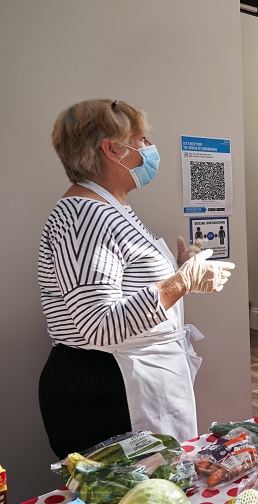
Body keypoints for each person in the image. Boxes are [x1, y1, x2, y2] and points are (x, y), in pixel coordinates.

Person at [38, 99, 235, 458]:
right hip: (111, 390)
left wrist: (180, 269)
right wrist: (180, 282)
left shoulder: (111, 207)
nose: (148, 149)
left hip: (133, 380)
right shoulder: (84, 216)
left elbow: (127, 283)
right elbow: (98, 325)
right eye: (141, 139)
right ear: (112, 150)